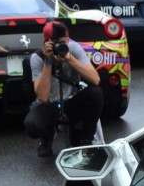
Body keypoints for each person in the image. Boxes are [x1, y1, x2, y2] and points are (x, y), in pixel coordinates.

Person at [24, 22, 103, 157]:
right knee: (33, 125)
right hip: (49, 104)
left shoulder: (74, 49)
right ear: (46, 42)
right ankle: (47, 135)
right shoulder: (37, 59)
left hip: (71, 102)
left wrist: (69, 58)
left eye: (63, 42)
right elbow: (42, 97)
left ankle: (86, 141)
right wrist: (48, 61)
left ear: (67, 39)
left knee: (95, 94)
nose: (60, 46)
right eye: (56, 43)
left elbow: (95, 79)